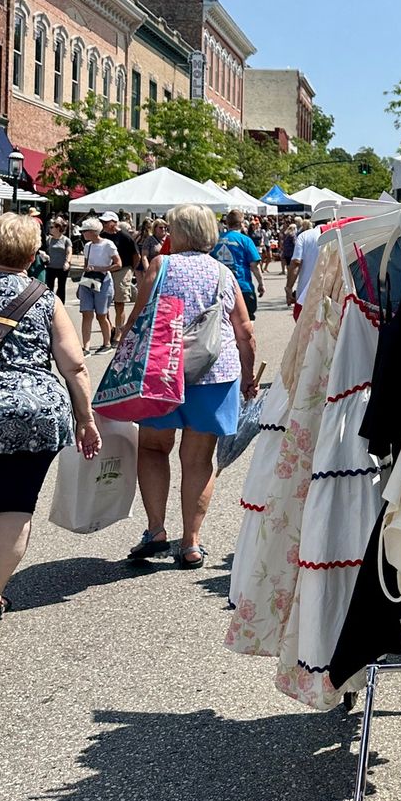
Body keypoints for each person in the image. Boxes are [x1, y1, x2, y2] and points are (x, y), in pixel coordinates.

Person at [0, 214, 101, 624]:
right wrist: (85, 419)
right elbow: (75, 366)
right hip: (31, 414)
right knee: (11, 506)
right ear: (34, 255)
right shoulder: (44, 299)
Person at [128, 203, 258, 570]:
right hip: (214, 374)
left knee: (153, 449)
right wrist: (248, 376)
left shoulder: (160, 266)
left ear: (177, 233)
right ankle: (191, 543)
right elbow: (244, 330)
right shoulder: (223, 274)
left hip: (161, 373)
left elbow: (138, 319)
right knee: (199, 459)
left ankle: (155, 530)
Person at [212, 208, 265, 319]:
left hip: (219, 288)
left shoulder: (215, 240)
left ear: (227, 223)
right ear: (241, 224)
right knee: (247, 320)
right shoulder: (245, 240)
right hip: (242, 286)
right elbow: (254, 265)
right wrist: (261, 283)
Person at [77, 216, 119, 353]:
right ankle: (86, 347)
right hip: (88, 282)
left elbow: (118, 264)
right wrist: (87, 270)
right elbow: (86, 265)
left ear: (93, 231)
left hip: (104, 282)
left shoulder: (108, 244)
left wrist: (101, 269)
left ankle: (106, 343)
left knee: (102, 315)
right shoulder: (88, 246)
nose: (83, 233)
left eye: (85, 231)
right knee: (86, 313)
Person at [102, 211, 139, 335]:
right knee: (103, 303)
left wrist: (131, 270)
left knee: (119, 302)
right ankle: (110, 328)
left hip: (122, 270)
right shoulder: (102, 235)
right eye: (103, 222)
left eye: (107, 222)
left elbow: (136, 255)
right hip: (106, 269)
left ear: (114, 222)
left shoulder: (125, 236)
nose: (104, 224)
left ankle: (119, 332)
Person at [286, 218, 322, 322]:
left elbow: (296, 263)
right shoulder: (339, 234)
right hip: (333, 292)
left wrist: (289, 288)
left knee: (305, 333)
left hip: (306, 293)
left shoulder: (305, 236)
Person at [44, 218, 72, 302]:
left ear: (58, 228)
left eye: (52, 227)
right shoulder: (49, 239)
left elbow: (69, 252)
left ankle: (60, 304)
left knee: (61, 287)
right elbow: (45, 250)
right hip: (50, 267)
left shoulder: (66, 240)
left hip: (62, 267)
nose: (50, 229)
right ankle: (49, 302)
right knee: (49, 286)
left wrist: (67, 262)